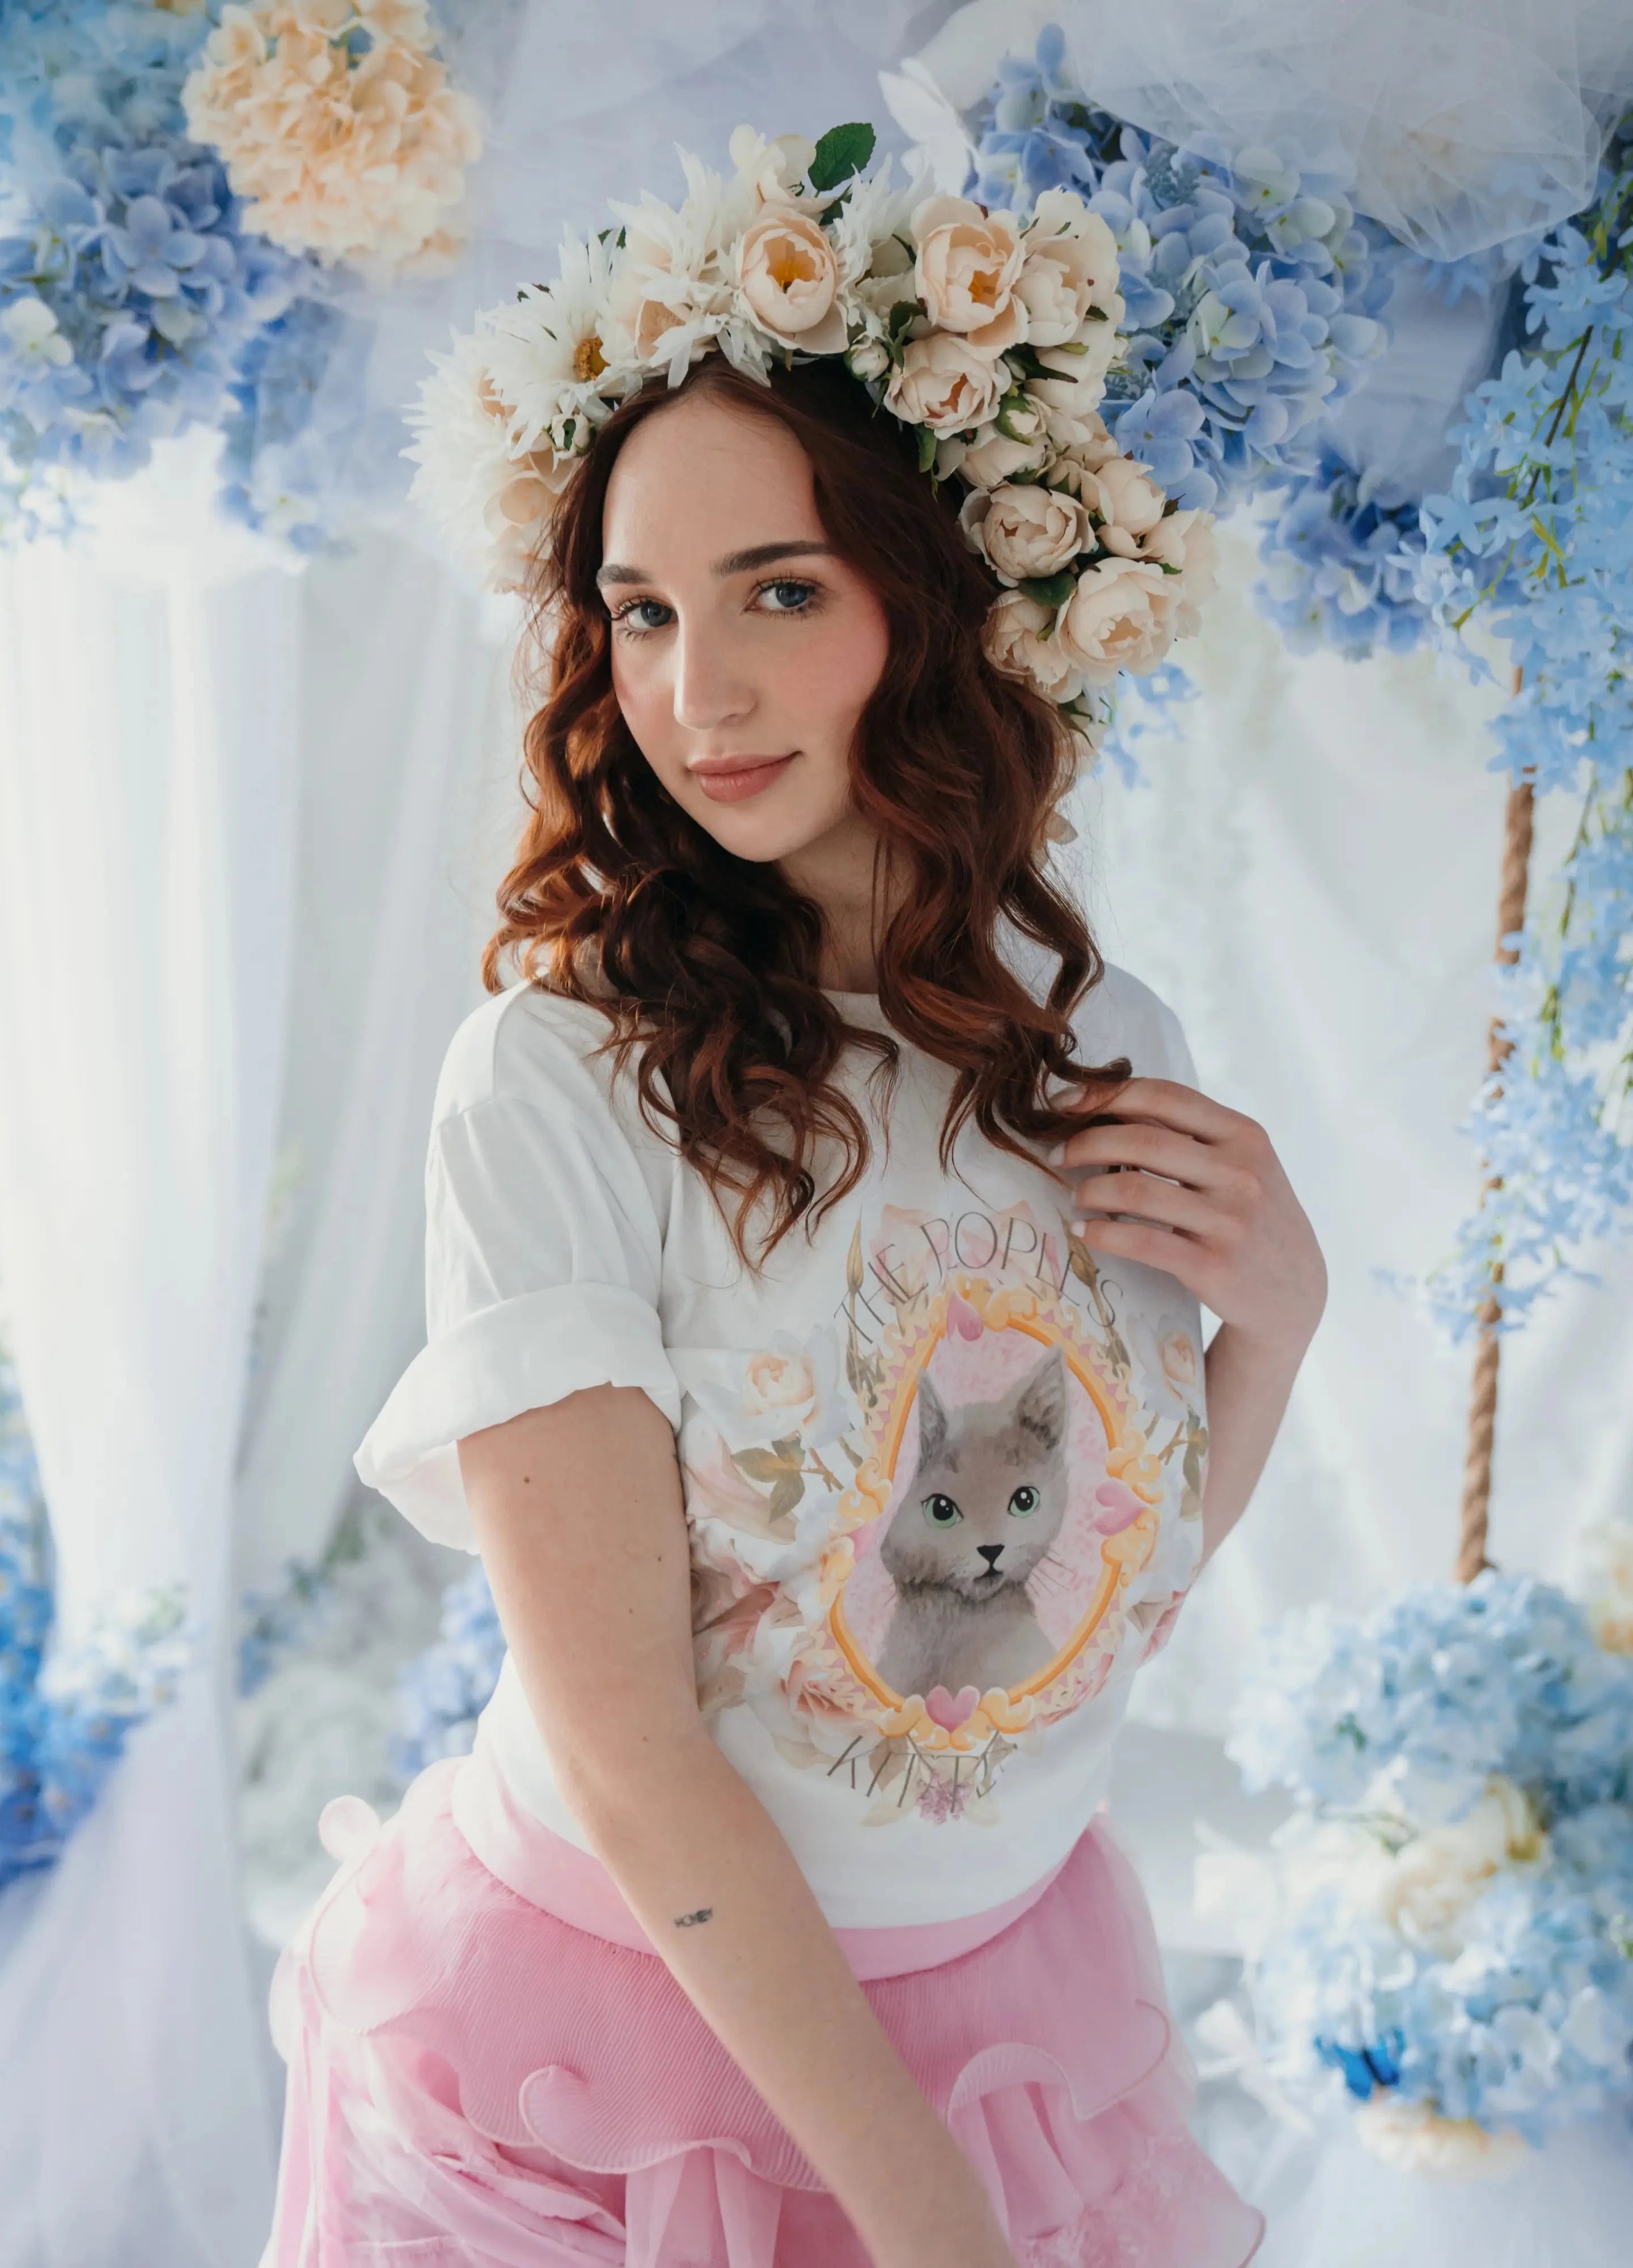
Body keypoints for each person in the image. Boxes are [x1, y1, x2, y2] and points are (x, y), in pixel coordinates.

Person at [261, 134, 1324, 2268]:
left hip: (1011, 2006)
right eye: (643, 612)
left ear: (941, 604)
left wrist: (1275, 1327)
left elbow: (1077, 1599)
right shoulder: (563, 1082)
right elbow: (636, 1745)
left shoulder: (1104, 1035)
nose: (693, 695)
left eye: (778, 592)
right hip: (630, 2047)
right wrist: (923, 2212)